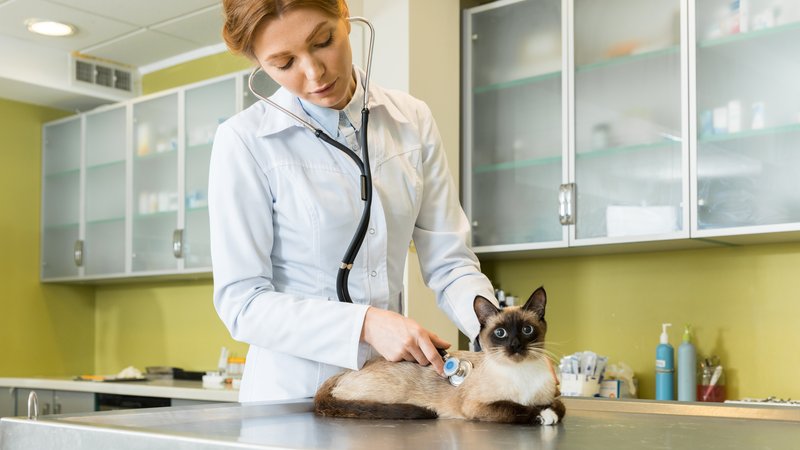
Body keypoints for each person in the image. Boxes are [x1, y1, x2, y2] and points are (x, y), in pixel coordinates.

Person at [210, 0, 496, 402]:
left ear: (344, 16)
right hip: (293, 397)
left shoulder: (411, 119)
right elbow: (242, 304)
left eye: (323, 41)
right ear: (260, 64)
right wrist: (364, 324)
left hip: (388, 390)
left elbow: (450, 263)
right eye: (283, 63)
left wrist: (503, 336)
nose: (314, 73)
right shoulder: (244, 141)